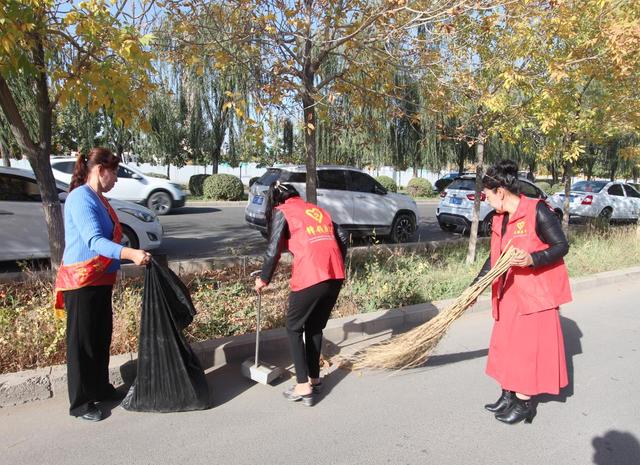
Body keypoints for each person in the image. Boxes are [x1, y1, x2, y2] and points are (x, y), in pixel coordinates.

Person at [54, 148, 151, 422]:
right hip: (81, 282)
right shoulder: (80, 198)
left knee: (99, 337)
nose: (117, 179)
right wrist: (131, 254)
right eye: (115, 172)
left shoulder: (99, 199)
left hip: (99, 280)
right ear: (100, 170)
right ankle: (80, 403)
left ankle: (99, 388)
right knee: (82, 343)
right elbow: (94, 241)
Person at [473, 159, 572, 424]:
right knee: (507, 346)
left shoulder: (537, 211)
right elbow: (495, 256)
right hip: (509, 293)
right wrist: (475, 286)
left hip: (534, 296)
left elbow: (561, 246)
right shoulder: (500, 218)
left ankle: (524, 403)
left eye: (487, 195)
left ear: (501, 192)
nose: (486, 200)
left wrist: (532, 259)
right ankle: (508, 394)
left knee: (526, 350)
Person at [255, 181, 348, 406]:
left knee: (293, 327)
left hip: (311, 275)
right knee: (314, 326)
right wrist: (334, 261)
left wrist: (264, 279)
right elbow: (343, 235)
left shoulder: (282, 211)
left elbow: (273, 249)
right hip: (334, 275)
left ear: (277, 199)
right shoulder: (317, 210)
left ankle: (303, 385)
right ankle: (315, 379)